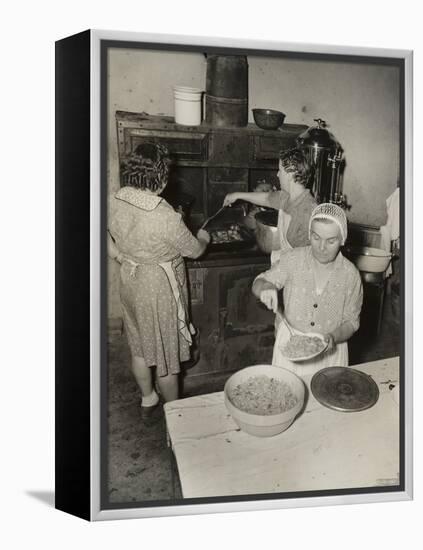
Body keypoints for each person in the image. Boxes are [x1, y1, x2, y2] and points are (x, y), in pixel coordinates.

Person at [108, 142, 210, 419]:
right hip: (158, 288)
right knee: (166, 358)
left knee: (140, 345)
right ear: (163, 178)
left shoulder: (115, 199)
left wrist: (120, 256)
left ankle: (148, 399)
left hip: (130, 278)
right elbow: (195, 251)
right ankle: (175, 416)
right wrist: (203, 237)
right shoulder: (166, 217)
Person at [252, 203, 363, 376]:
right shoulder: (294, 259)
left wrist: (333, 337)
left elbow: (351, 322)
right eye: (316, 237)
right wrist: (266, 287)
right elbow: (259, 282)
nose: (322, 247)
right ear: (309, 234)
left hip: (330, 352)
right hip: (290, 346)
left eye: (331, 241)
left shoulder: (350, 275)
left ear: (342, 239)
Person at [223, 147, 317, 264]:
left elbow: (304, 261)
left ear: (290, 174)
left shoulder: (308, 212)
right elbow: (267, 198)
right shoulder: (286, 197)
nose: (277, 175)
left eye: (280, 170)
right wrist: (237, 195)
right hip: (285, 264)